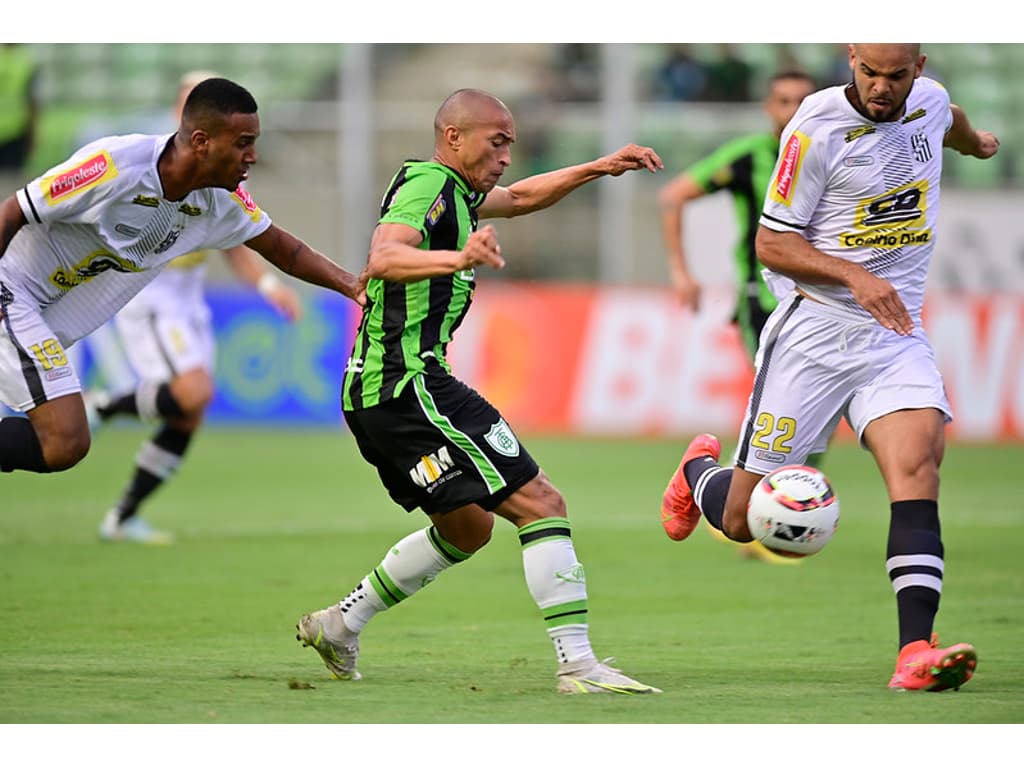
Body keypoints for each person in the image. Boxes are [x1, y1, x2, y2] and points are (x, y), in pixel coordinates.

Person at [296, 88, 664, 695]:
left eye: (510, 146)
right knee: (541, 502)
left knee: (468, 528)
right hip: (408, 381)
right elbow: (384, 256)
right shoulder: (430, 187)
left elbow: (518, 198)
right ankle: (579, 666)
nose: (506, 158)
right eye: (497, 143)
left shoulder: (459, 195)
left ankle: (340, 623)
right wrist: (459, 256)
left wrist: (599, 166)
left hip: (377, 392)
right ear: (454, 138)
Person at [660, 44, 998, 692]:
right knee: (741, 520)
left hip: (893, 335)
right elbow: (771, 244)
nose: (880, 87)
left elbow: (946, 116)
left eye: (895, 76)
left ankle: (914, 652)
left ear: (918, 68)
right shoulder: (813, 130)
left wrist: (974, 142)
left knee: (918, 467)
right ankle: (697, 471)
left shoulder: (926, 100)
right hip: (811, 333)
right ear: (851, 59)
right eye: (869, 72)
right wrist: (856, 276)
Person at [0, 77, 365, 479]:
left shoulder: (220, 201)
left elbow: (285, 249)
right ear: (202, 141)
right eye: (243, 142)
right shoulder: (116, 165)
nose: (253, 156)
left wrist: (351, 285)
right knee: (64, 439)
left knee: (66, 443)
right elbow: (14, 209)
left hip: (46, 311)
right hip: (11, 289)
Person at [84, 71, 304, 545]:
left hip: (190, 298)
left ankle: (122, 517)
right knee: (194, 392)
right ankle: (102, 404)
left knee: (188, 413)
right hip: (151, 292)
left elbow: (239, 241)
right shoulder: (153, 160)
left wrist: (269, 286)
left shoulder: (220, 171)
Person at [657, 70, 817, 564]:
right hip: (762, 301)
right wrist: (682, 271)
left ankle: (774, 513)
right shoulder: (749, 155)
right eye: (783, 101)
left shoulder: (834, 152)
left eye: (802, 102)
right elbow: (674, 194)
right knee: (785, 410)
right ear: (769, 108)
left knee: (813, 415)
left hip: (822, 304)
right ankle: (753, 511)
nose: (791, 111)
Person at [0, 44, 39, 178]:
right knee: (11, 183)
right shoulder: (26, 61)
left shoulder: (27, 62)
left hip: (15, 132)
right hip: (15, 131)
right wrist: (32, 135)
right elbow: (32, 102)